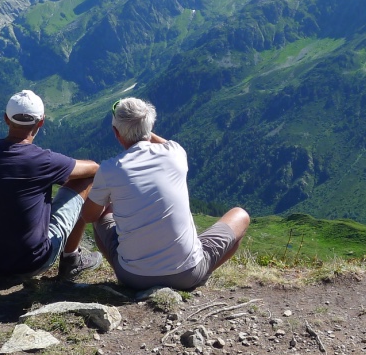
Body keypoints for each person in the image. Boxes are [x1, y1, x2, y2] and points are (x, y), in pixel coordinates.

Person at [86, 97, 249, 291]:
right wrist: (142, 130)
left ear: (116, 132)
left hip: (133, 278)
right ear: (151, 126)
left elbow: (89, 216)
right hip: (188, 275)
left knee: (100, 210)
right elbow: (167, 143)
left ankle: (124, 275)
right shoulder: (176, 153)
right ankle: (202, 274)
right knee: (241, 215)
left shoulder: (109, 169)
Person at [0, 89, 105, 280]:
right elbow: (94, 168)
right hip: (30, 263)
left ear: (6, 119)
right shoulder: (42, 160)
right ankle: (72, 260)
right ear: (41, 121)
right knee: (86, 180)